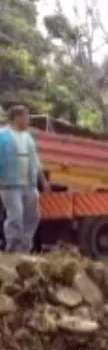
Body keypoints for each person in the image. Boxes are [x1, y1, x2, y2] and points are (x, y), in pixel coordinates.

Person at [0, 105, 48, 254]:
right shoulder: (3, 136)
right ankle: (13, 247)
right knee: (16, 215)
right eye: (26, 117)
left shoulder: (28, 137)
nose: (28, 120)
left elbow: (36, 161)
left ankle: (24, 247)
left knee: (33, 216)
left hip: (29, 184)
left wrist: (43, 181)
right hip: (9, 184)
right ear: (17, 118)